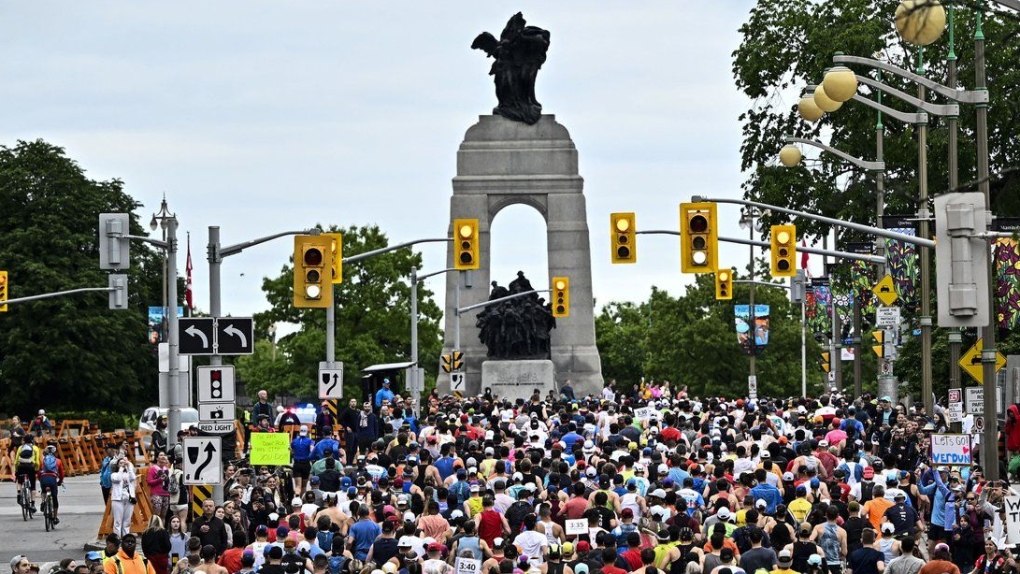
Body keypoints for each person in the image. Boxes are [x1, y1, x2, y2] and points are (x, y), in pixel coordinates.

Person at [38, 443, 65, 524]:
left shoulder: (43, 461)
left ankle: (43, 501)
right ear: (55, 453)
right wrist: (59, 482)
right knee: (55, 498)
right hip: (52, 479)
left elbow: (39, 472)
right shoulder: (58, 461)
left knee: (43, 491)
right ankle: (55, 517)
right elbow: (62, 474)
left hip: (44, 478)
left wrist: (40, 480)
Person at [110, 454, 136, 537]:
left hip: (129, 499)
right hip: (118, 499)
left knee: (127, 521)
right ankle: (117, 538)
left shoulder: (128, 473)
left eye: (123, 463)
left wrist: (128, 466)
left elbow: (133, 477)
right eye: (120, 463)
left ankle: (126, 537)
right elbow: (117, 479)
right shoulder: (114, 474)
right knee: (117, 521)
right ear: (117, 465)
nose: (123, 464)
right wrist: (121, 468)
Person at [15, 434, 39, 512]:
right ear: (32, 440)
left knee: (20, 481)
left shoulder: (20, 448)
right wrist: (36, 470)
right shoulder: (35, 448)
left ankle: (19, 493)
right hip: (30, 467)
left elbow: (16, 461)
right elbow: (37, 462)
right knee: (33, 486)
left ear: (24, 440)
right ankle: (32, 504)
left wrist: (16, 470)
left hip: (21, 466)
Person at [147, 452, 172, 524]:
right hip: (156, 494)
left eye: (164, 455)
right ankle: (154, 531)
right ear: (157, 458)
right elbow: (149, 482)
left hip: (166, 494)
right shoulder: (152, 468)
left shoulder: (167, 469)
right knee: (156, 515)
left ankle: (161, 531)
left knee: (163, 515)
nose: (163, 456)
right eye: (161, 455)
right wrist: (159, 480)